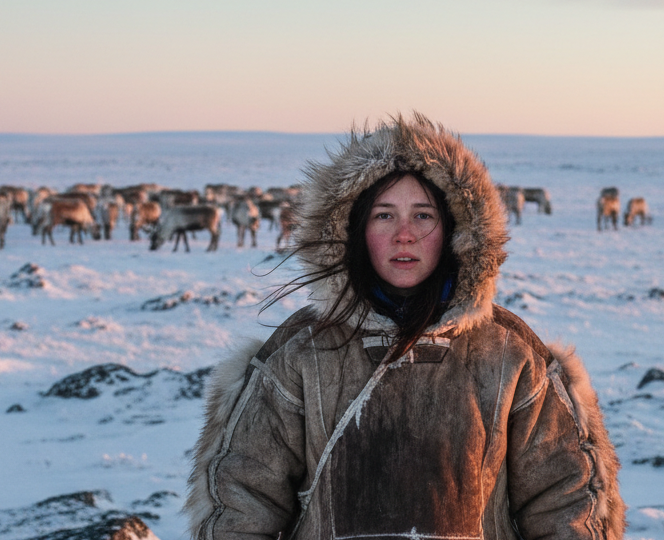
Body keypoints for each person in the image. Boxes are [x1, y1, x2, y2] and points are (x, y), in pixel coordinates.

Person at [184, 113, 625, 540]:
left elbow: (568, 504)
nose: (404, 235)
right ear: (353, 230)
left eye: (423, 215)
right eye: (383, 215)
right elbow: (240, 503)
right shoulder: (300, 353)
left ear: (457, 230)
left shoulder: (509, 354)